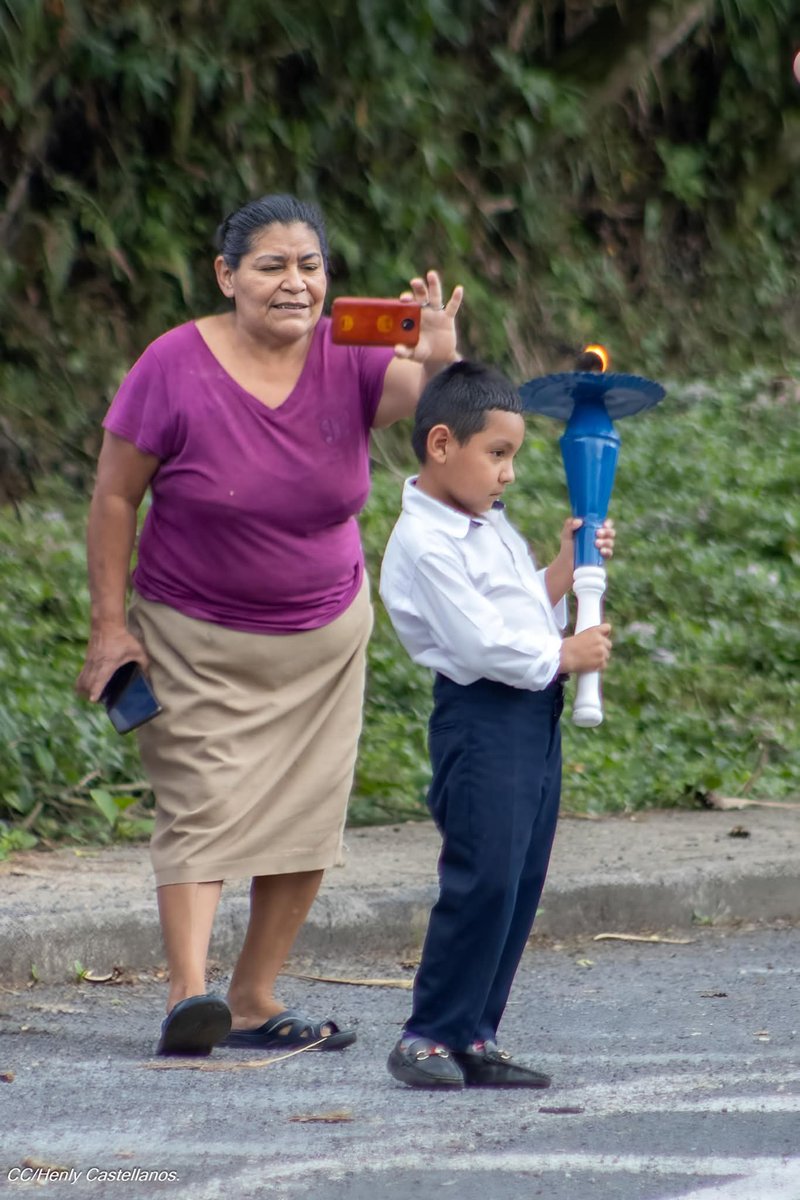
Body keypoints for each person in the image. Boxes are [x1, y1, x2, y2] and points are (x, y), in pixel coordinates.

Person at [76, 193, 463, 1057]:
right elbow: (113, 497)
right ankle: (189, 995)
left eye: (310, 266)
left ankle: (252, 998)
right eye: (271, 265)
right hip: (192, 633)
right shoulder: (172, 364)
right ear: (227, 275)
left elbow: (434, 414)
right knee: (199, 801)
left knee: (305, 814)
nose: (295, 283)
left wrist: (439, 356)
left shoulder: (349, 352)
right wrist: (109, 626)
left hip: (323, 639)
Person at [378, 361, 614, 1089]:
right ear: (442, 444)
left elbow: (517, 609)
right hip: (481, 718)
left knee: (519, 879)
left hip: (530, 712)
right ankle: (427, 1035)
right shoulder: (426, 541)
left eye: (514, 455)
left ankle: (475, 1032)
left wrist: (564, 568)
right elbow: (480, 643)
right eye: (498, 454)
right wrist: (564, 654)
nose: (508, 473)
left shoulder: (486, 525)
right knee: (481, 878)